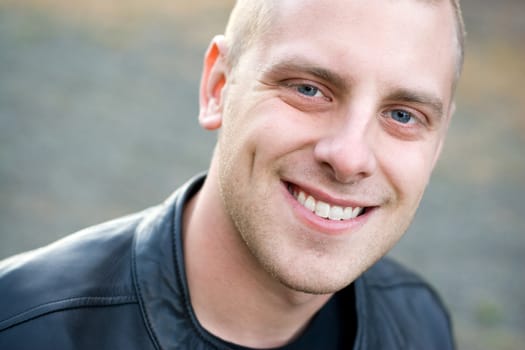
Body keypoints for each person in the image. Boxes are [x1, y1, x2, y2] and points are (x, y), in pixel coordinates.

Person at [0, 0, 465, 348]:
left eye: (403, 116)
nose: (348, 156)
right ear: (218, 87)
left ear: (439, 142)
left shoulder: (419, 322)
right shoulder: (21, 325)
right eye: (308, 89)